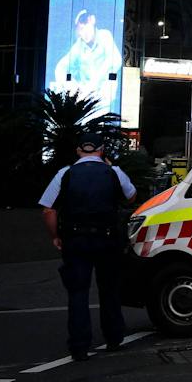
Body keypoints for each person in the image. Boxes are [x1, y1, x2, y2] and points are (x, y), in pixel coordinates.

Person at [39, 131, 136, 361]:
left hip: (75, 240)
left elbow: (48, 210)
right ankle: (113, 337)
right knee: (109, 289)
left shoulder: (65, 173)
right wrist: (112, 168)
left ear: (78, 150)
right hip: (107, 239)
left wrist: (55, 236)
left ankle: (79, 346)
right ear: (102, 150)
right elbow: (131, 197)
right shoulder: (113, 172)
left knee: (78, 292)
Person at [51, 8, 122, 116]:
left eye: (85, 26)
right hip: (85, 98)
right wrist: (71, 86)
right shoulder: (78, 46)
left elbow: (116, 60)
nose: (84, 33)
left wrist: (94, 82)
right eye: (80, 29)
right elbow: (60, 67)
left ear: (92, 21)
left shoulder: (104, 36)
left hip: (103, 97)